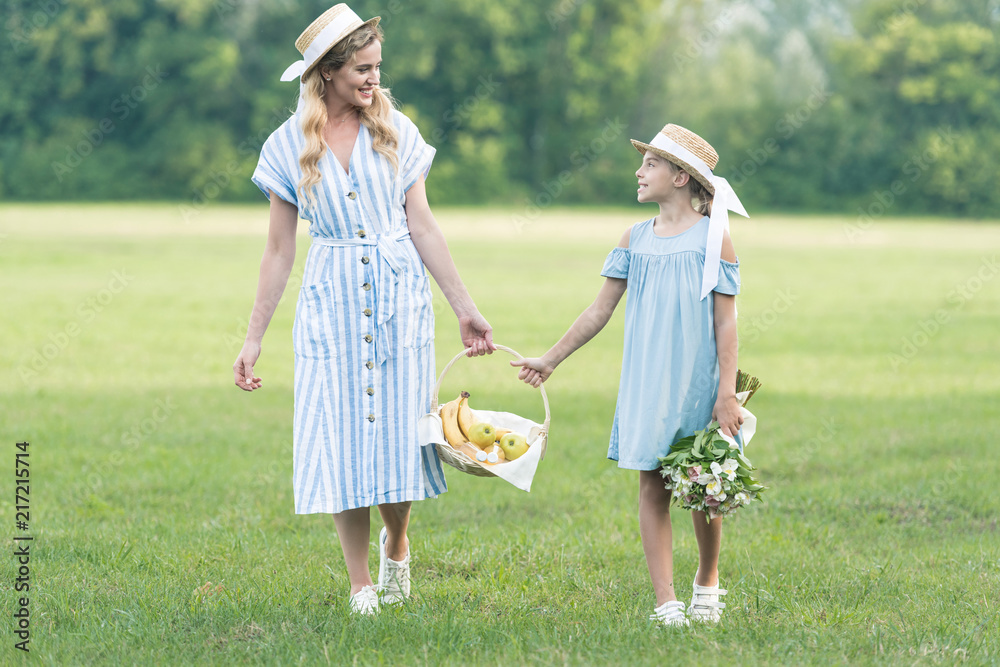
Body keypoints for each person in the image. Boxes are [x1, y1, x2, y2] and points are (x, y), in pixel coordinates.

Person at [232, 4, 495, 615]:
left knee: (402, 438)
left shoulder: (395, 130)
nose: (374, 79)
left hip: (400, 300)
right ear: (327, 72)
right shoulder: (287, 145)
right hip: (332, 305)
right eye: (361, 69)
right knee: (341, 442)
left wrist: (464, 307)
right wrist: (253, 338)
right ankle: (360, 584)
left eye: (377, 67)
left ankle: (397, 545)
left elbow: (423, 225)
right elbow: (278, 250)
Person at [512, 123, 749, 627]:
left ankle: (707, 581)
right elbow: (599, 310)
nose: (639, 172)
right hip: (647, 384)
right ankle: (666, 603)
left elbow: (726, 323)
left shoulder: (714, 240)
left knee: (704, 489)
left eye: (650, 164)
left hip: (699, 386)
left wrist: (726, 394)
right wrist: (551, 359)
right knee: (652, 488)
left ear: (681, 178)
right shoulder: (634, 238)